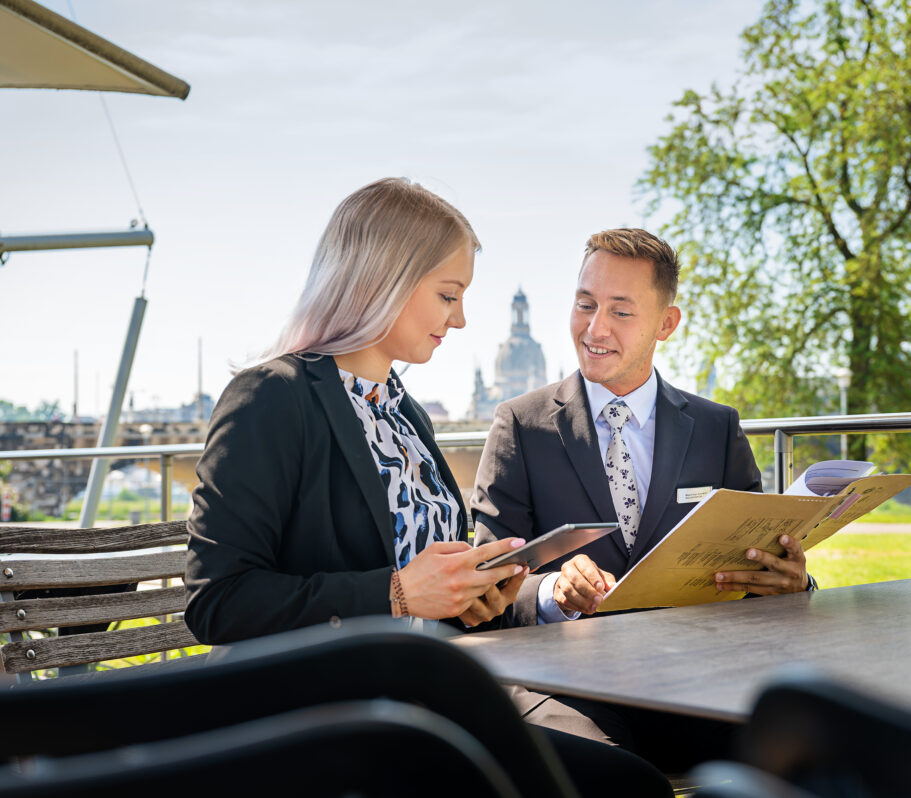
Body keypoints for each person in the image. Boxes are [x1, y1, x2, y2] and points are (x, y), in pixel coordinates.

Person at [185, 180, 671, 797]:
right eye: (448, 294)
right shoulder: (271, 399)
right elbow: (217, 601)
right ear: (381, 279)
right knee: (620, 788)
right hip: (321, 716)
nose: (461, 318)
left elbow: (431, 597)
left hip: (424, 701)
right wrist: (396, 592)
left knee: (627, 779)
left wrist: (482, 591)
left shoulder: (404, 413)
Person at [471, 227, 817, 768]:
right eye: (585, 305)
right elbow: (487, 584)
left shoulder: (716, 428)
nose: (594, 327)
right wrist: (550, 591)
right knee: (612, 775)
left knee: (811, 746)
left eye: (620, 312)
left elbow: (761, 557)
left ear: (666, 324)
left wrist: (791, 580)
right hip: (564, 685)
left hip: (697, 676)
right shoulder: (520, 425)